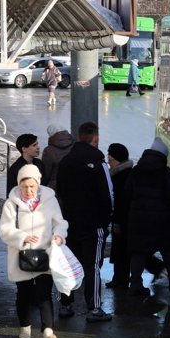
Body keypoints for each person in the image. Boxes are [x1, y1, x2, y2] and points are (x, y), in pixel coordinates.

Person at [0, 165, 67, 338]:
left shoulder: (50, 200)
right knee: (24, 294)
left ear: (38, 183)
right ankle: (25, 326)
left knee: (45, 293)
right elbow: (4, 230)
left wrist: (59, 236)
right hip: (21, 256)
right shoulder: (11, 203)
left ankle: (48, 332)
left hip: (45, 253)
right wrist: (22, 237)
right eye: (24, 187)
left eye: (32, 186)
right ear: (19, 185)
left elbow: (60, 223)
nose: (28, 191)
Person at [56, 122, 114, 322]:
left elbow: (60, 191)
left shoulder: (66, 161)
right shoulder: (99, 163)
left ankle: (65, 304)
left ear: (79, 137)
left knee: (70, 264)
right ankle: (94, 308)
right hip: (94, 224)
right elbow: (108, 195)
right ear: (95, 139)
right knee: (93, 266)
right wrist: (106, 219)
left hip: (71, 221)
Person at [125, 137, 170, 296]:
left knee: (138, 251)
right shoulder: (165, 172)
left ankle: (136, 284)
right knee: (167, 249)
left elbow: (127, 193)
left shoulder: (136, 171)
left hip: (138, 219)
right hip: (161, 220)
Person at [105, 143, 132, 288]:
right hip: (124, 219)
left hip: (122, 219)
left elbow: (121, 202)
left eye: (110, 160)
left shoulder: (120, 177)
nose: (109, 164)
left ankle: (120, 280)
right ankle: (120, 278)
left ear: (117, 160)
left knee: (121, 250)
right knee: (122, 250)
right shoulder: (126, 173)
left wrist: (117, 221)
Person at [41, 125, 73, 192]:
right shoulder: (75, 146)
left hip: (56, 187)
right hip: (74, 185)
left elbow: (46, 173)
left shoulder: (48, 150)